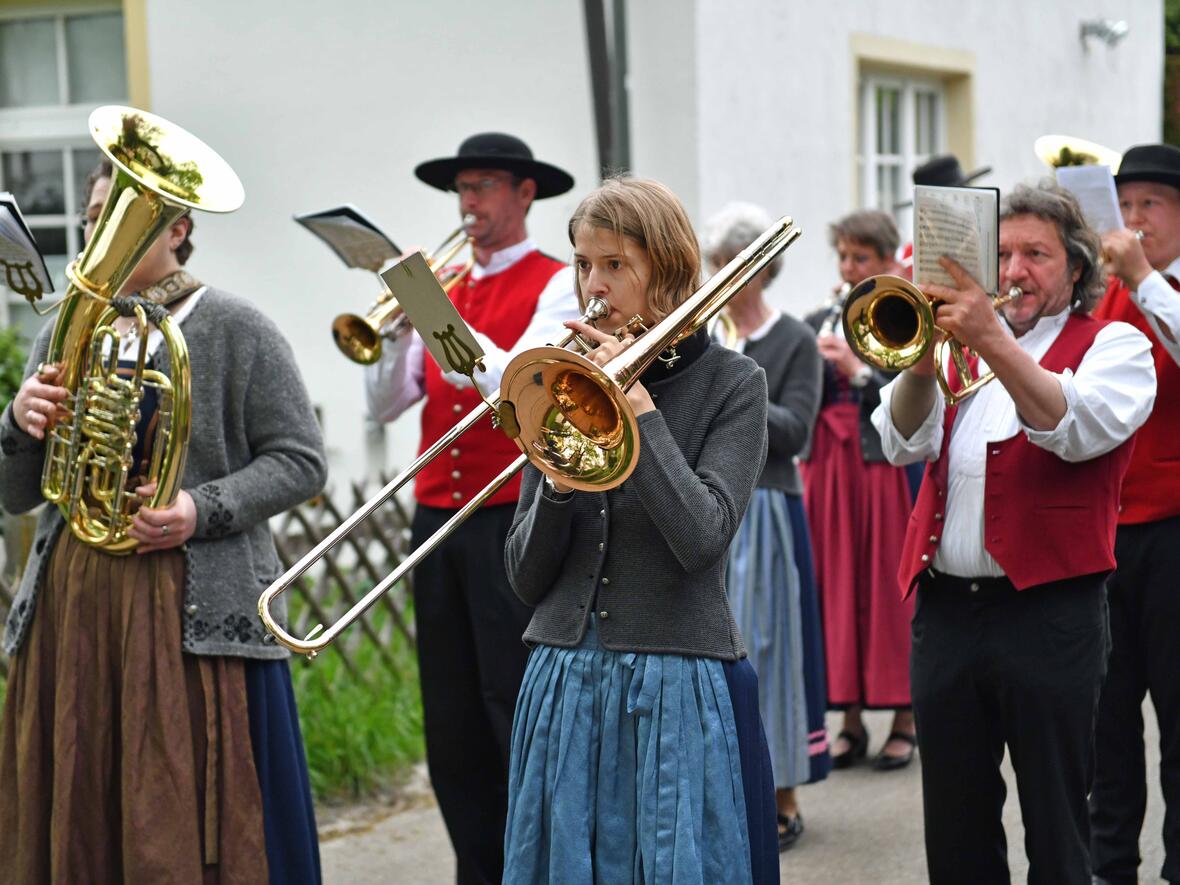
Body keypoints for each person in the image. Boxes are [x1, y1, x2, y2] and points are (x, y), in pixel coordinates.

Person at [0, 159, 327, 883]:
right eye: (94, 216)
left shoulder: (239, 326)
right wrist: (18, 423)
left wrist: (197, 509)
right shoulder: (63, 331)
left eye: (126, 215)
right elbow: (18, 494)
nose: (99, 231)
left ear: (180, 229)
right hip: (74, 605)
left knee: (181, 805)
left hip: (189, 608)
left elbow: (302, 460)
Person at [872, 181, 1156, 883]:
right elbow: (900, 443)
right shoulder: (956, 350)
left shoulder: (1113, 343)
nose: (1013, 270)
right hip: (945, 611)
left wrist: (991, 340)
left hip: (1050, 615)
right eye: (1000, 253)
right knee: (956, 823)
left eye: (1036, 253)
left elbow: (1076, 430)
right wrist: (919, 357)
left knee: (1059, 824)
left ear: (1077, 269)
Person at [501, 177, 778, 883]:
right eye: (583, 264)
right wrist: (561, 476)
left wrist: (638, 417)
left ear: (670, 269)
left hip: (674, 679)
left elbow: (702, 538)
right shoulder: (561, 379)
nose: (592, 285)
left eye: (615, 265)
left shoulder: (735, 383)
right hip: (564, 678)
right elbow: (526, 579)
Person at [363, 132, 579, 884]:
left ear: (525, 195)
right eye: (463, 188)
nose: (469, 203)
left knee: (508, 698)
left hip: (509, 515)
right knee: (449, 708)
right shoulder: (444, 287)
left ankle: (534, 863)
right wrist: (395, 336)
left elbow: (518, 384)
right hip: (434, 515)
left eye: (485, 186)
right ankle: (476, 867)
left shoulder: (559, 283)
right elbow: (388, 406)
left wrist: (434, 314)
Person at [703, 202, 830, 852]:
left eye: (729, 264)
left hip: (768, 507)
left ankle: (782, 792)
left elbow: (797, 431)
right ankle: (726, 786)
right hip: (707, 507)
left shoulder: (793, 340)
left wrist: (735, 383)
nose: (717, 274)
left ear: (757, 270)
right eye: (715, 262)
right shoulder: (710, 336)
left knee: (768, 651)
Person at [1090, 143, 1180, 885]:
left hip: (1177, 530)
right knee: (1105, 723)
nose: (1133, 219)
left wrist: (1144, 278)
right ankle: (1109, 868)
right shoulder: (1109, 289)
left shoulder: (1153, 287)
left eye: (1150, 203)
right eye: (1124, 205)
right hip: (1108, 530)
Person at [801, 210, 917, 771]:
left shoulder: (900, 313)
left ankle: (905, 719)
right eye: (844, 256)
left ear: (888, 261)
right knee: (839, 587)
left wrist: (860, 371)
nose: (849, 267)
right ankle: (848, 721)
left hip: (881, 470)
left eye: (861, 257)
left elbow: (915, 394)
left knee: (887, 588)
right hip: (830, 469)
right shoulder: (823, 316)